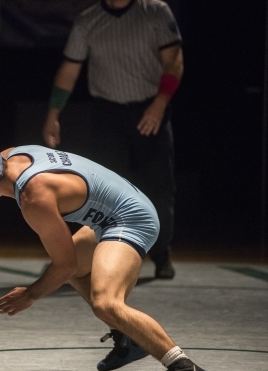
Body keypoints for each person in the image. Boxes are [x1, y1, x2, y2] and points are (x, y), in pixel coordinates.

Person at [0, 141, 217, 371]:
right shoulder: (11, 155)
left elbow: (63, 264)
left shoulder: (33, 198)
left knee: (105, 302)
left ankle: (187, 369)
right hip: (118, 208)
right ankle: (128, 339)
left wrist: (31, 294)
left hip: (131, 219)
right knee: (80, 270)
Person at [42, 0, 183, 281]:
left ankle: (161, 253)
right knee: (103, 192)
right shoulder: (88, 20)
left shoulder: (154, 11)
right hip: (108, 114)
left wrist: (159, 104)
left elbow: (174, 61)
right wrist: (53, 114)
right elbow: (70, 70)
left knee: (159, 186)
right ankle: (104, 252)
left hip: (149, 109)